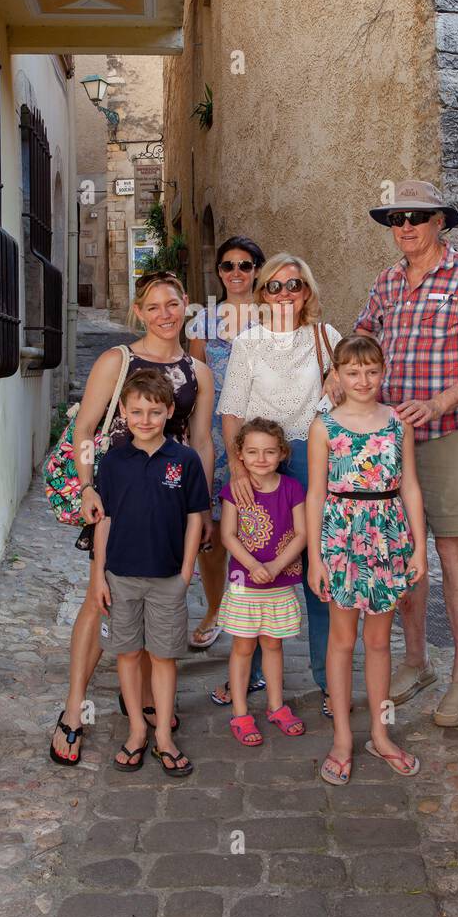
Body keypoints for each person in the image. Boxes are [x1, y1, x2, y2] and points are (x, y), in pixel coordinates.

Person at [355, 179, 458, 728]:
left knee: (453, 552)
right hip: (393, 437)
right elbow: (361, 341)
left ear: (441, 221)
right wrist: (339, 377)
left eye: (417, 217)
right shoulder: (388, 282)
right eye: (396, 219)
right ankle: (416, 662)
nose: (406, 227)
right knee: (403, 554)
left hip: (453, 430)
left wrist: (437, 403)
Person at [49, 271, 214, 765]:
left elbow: (202, 441)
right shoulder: (116, 361)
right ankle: (73, 710)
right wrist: (86, 487)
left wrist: (201, 509)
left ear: (185, 305)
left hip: (167, 496)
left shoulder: (197, 372)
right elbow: (84, 428)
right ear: (139, 312)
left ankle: (141, 699)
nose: (165, 314)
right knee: (100, 601)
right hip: (115, 496)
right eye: (154, 306)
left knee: (155, 591)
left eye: (173, 303)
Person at [218, 253, 342, 715]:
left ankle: (328, 681)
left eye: (294, 285)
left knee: (316, 569)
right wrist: (237, 467)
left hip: (311, 460)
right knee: (254, 566)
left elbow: (347, 391)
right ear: (262, 292)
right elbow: (231, 411)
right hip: (260, 464)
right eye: (274, 286)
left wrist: (339, 387)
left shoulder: (325, 337)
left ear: (306, 292)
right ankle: (246, 676)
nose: (284, 294)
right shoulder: (247, 343)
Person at [307, 335, 427, 785]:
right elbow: (316, 493)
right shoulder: (324, 426)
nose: (363, 380)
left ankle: (380, 731)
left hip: (388, 536)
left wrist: (418, 546)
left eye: (371, 371)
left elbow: (410, 485)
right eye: (353, 372)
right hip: (341, 537)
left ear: (383, 372)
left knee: (378, 643)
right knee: (342, 641)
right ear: (337, 374)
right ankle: (341, 736)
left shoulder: (398, 423)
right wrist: (316, 558)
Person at [91, 369, 210, 777]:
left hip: (166, 578)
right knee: (127, 652)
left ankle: (163, 735)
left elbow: (196, 517)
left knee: (163, 655)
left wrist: (186, 569)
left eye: (154, 412)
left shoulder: (185, 460)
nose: (145, 419)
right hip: (121, 575)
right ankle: (137, 730)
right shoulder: (113, 462)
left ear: (170, 411)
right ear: (123, 410)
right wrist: (98, 576)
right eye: (137, 411)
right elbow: (103, 520)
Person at [186, 237, 265, 676]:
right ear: (218, 271)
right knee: (211, 531)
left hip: (259, 440)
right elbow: (195, 380)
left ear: (257, 269)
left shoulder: (273, 319)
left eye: (245, 265)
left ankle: (252, 626)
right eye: (228, 265)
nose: (236, 272)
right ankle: (216, 610)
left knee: (256, 529)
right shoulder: (203, 322)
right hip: (212, 436)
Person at [218, 418, 307, 746]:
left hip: (279, 580)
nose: (261, 458)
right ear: (240, 454)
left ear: (282, 453)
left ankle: (276, 706)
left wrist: (275, 565)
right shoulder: (234, 490)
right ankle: (240, 712)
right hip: (244, 580)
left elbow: (302, 533)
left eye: (270, 452)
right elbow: (227, 535)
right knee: (242, 645)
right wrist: (255, 564)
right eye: (253, 451)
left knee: (273, 643)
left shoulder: (292, 489)